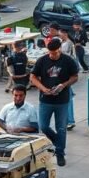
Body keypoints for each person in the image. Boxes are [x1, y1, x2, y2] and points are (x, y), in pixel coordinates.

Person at [30, 37, 79, 167]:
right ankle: (58, 142)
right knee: (44, 126)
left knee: (61, 128)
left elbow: (75, 77)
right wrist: (43, 88)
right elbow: (33, 77)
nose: (53, 55)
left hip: (62, 100)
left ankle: (60, 153)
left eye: (56, 53)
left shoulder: (68, 61)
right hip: (46, 99)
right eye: (51, 53)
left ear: (60, 49)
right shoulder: (42, 61)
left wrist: (64, 85)